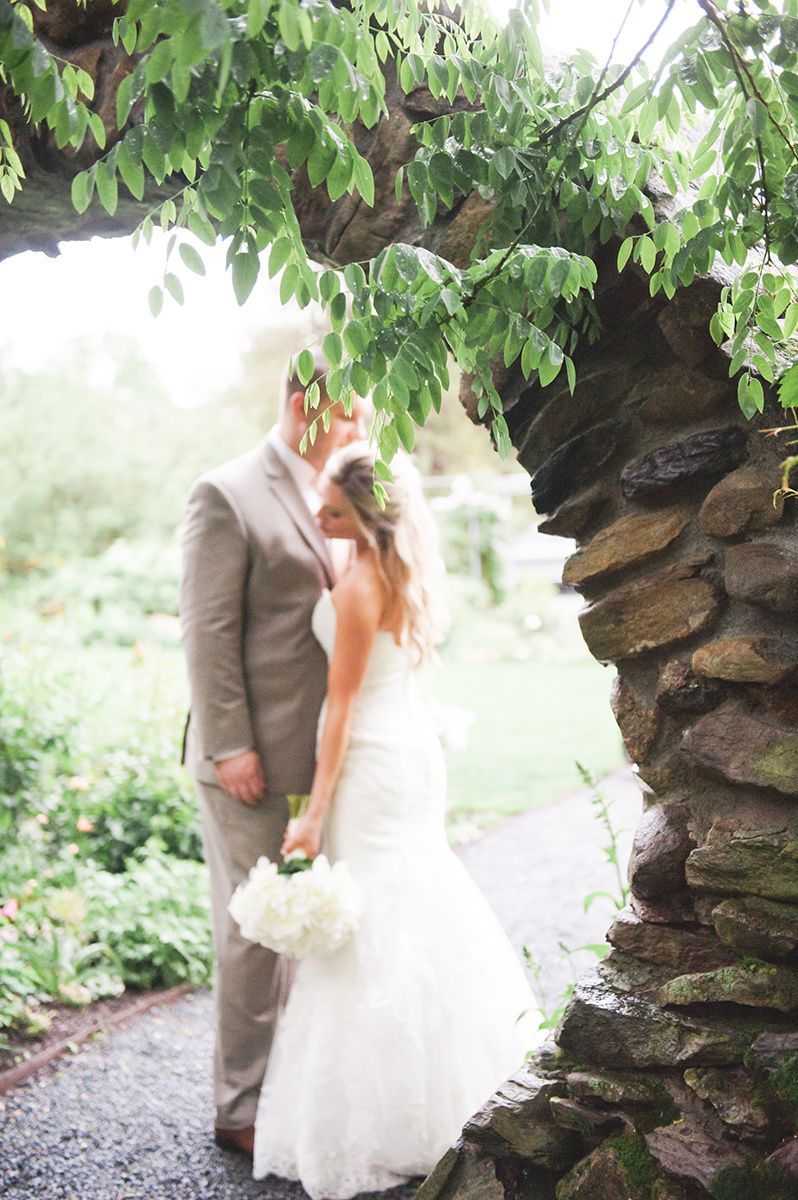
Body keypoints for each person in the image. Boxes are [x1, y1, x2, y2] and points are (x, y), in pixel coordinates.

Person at [252, 443, 542, 1199]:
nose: (319, 516)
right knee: (413, 899)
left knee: (375, 917)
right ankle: (452, 1090)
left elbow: (341, 707)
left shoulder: (358, 587)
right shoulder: (396, 569)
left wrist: (313, 814)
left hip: (374, 761)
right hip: (410, 748)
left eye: (334, 510)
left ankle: (389, 1121)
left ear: (366, 518)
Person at [179, 356, 367, 1156]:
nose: (360, 423)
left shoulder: (338, 486)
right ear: (303, 404)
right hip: (247, 757)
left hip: (318, 755)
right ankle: (240, 1108)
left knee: (307, 927)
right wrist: (230, 745)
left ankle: (292, 1094)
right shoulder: (225, 492)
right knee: (253, 934)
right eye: (349, 409)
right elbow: (207, 630)